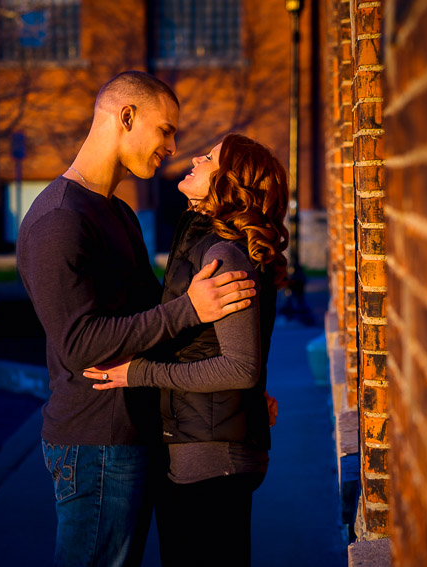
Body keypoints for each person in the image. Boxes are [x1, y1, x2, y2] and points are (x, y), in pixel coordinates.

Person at [16, 72, 256, 567]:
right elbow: (81, 344)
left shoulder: (116, 212)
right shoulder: (59, 218)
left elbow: (151, 320)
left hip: (136, 435)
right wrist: (190, 307)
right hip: (96, 444)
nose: (172, 146)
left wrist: (236, 392)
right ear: (126, 117)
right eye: (165, 130)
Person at [83, 133, 289, 567]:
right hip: (199, 448)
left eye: (211, 157)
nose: (195, 156)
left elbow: (239, 367)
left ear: (230, 182)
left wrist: (136, 372)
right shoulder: (201, 239)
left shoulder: (222, 255)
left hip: (212, 461)